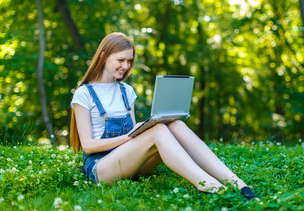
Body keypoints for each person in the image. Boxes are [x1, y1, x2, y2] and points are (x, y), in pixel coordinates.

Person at [69, 32, 259, 201]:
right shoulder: (84, 94)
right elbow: (88, 145)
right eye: (121, 60)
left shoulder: (127, 91)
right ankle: (209, 186)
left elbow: (132, 136)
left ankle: (238, 184)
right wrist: (129, 136)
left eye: (129, 61)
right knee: (158, 131)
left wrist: (142, 129)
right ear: (103, 56)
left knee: (174, 124)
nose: (126, 66)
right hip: (101, 168)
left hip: (129, 163)